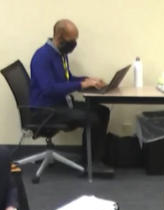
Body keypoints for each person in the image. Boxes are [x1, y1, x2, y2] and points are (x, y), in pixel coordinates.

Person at [29, 19, 114, 176]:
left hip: (60, 104)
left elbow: (66, 80)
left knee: (102, 111)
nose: (74, 43)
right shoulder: (42, 57)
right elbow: (48, 89)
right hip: (45, 110)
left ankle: (91, 158)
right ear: (60, 36)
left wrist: (87, 80)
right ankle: (92, 164)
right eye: (72, 40)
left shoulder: (60, 54)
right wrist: (80, 85)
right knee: (92, 117)